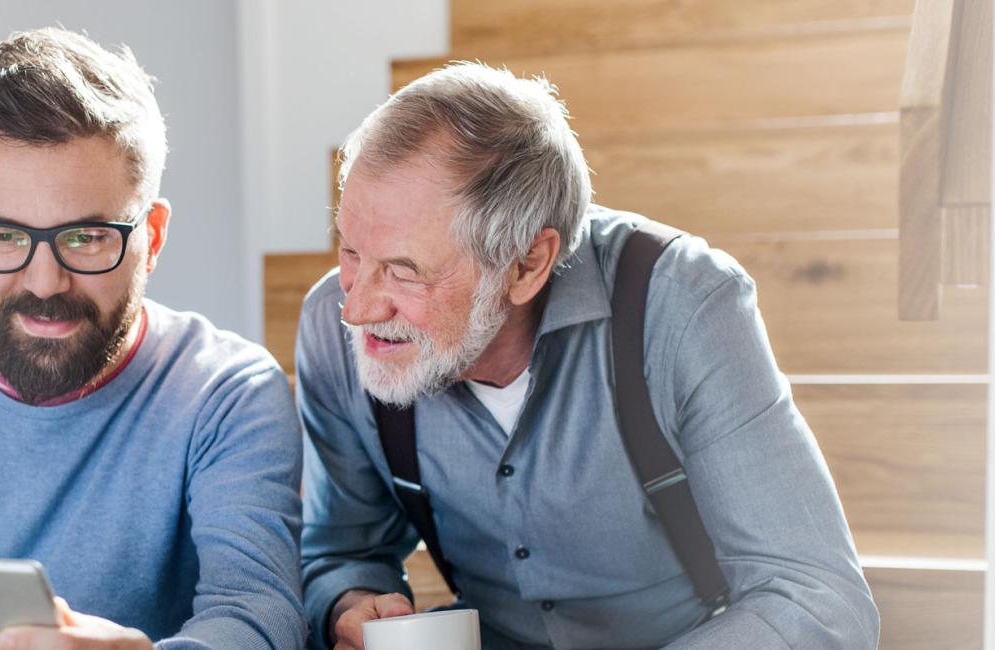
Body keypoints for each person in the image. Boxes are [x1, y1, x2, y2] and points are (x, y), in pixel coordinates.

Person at [296, 62, 880, 649]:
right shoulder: (331, 324)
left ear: (526, 265)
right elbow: (341, 551)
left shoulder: (684, 304)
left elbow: (818, 597)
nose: (359, 309)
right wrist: (350, 605)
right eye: (349, 252)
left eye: (404, 271)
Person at [0, 27, 304, 649]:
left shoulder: (226, 394)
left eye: (86, 238)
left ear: (152, 237)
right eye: (2, 236)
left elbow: (258, 617)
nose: (44, 282)